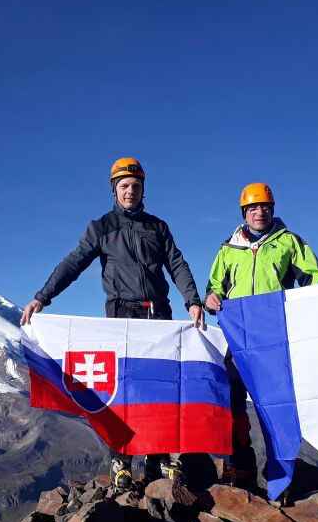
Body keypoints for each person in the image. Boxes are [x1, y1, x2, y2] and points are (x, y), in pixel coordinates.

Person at [21, 157, 204, 492]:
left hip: (158, 316)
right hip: (122, 316)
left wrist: (191, 300)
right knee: (124, 390)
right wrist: (42, 297)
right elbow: (74, 263)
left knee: (158, 388)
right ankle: (121, 461)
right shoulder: (102, 227)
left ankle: (158, 458)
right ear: (114, 189)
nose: (130, 191)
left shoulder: (157, 227)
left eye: (135, 185)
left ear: (143, 188)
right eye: (124, 186)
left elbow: (177, 263)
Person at [204, 183, 318, 497]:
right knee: (233, 405)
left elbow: (312, 275)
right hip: (238, 339)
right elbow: (215, 286)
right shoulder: (228, 250)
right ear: (244, 213)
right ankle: (242, 469)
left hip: (275, 339)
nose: (259, 212)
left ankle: (283, 475)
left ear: (272, 209)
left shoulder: (288, 243)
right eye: (253, 208)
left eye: (265, 206)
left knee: (277, 407)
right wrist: (211, 297)